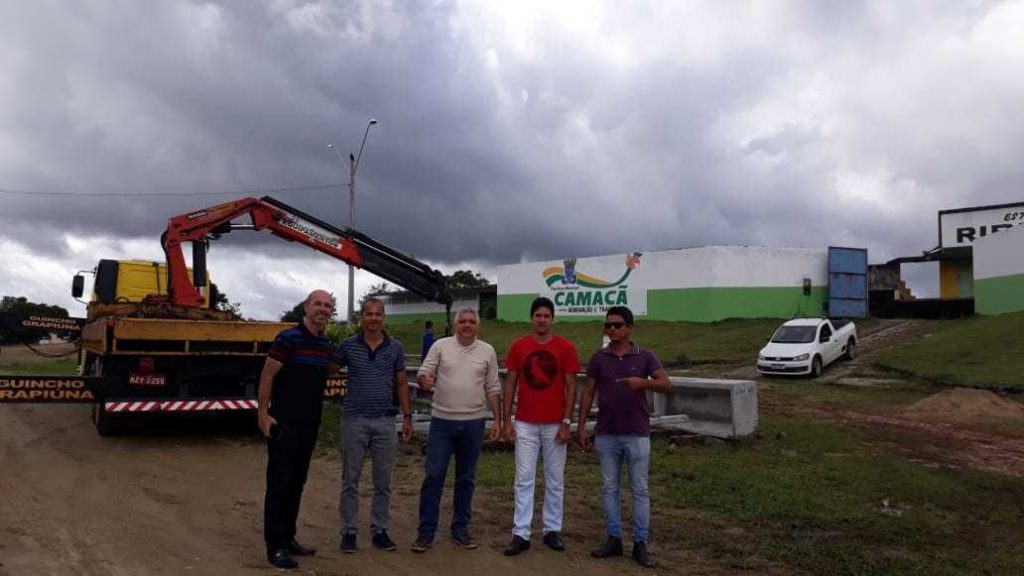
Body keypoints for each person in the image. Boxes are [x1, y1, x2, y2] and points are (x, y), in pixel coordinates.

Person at [577, 306, 670, 569]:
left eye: (617, 325)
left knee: (639, 489)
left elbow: (666, 383)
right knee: (609, 489)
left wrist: (643, 383)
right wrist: (582, 426)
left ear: (629, 328)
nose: (612, 329)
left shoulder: (645, 357)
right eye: (608, 325)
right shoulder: (598, 358)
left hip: (637, 435)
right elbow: (587, 393)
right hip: (606, 434)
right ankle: (614, 538)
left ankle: (640, 543)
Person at [258, 289, 338, 570]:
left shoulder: (325, 343)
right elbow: (267, 375)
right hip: (285, 423)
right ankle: (275, 546)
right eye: (318, 304)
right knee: (279, 484)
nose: (323, 309)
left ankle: (289, 538)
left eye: (327, 306)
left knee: (297, 483)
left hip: (309, 424)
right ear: (306, 308)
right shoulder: (288, 339)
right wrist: (263, 414)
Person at [411, 308, 502, 553]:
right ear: (455, 325)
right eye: (462, 321)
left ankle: (460, 530)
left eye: (472, 321)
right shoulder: (440, 346)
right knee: (434, 476)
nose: (467, 325)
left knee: (466, 479)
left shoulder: (488, 351)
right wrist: (424, 380)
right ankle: (425, 533)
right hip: (442, 422)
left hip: (474, 423)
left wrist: (499, 420)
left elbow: (493, 387)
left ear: (478, 326)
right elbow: (424, 372)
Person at [334, 297, 414, 553]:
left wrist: (408, 416)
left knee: (383, 481)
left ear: (383, 318)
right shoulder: (348, 346)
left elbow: (402, 383)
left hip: (384, 421)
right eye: (368, 314)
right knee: (350, 480)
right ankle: (349, 532)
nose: (373, 318)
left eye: (378, 314)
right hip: (354, 420)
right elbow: (326, 369)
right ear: (362, 317)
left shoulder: (395, 348)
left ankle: (379, 530)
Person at [501, 297, 580, 556]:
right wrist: (507, 420)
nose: (542, 319)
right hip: (525, 423)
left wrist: (567, 422)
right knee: (524, 479)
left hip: (556, 423)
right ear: (532, 318)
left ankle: (551, 530)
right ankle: (521, 533)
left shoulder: (566, 347)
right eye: (538, 315)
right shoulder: (518, 346)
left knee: (555, 479)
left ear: (553, 318)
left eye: (547, 315)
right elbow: (510, 384)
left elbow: (571, 387)